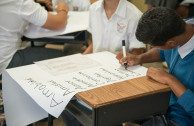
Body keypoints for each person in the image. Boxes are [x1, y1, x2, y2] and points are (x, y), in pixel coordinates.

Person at [117, 7, 194, 126]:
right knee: (119, 112)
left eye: (155, 45)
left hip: (183, 117)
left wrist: (170, 80)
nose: (155, 48)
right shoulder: (182, 27)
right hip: (165, 101)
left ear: (171, 43)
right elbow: (163, 51)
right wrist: (139, 58)